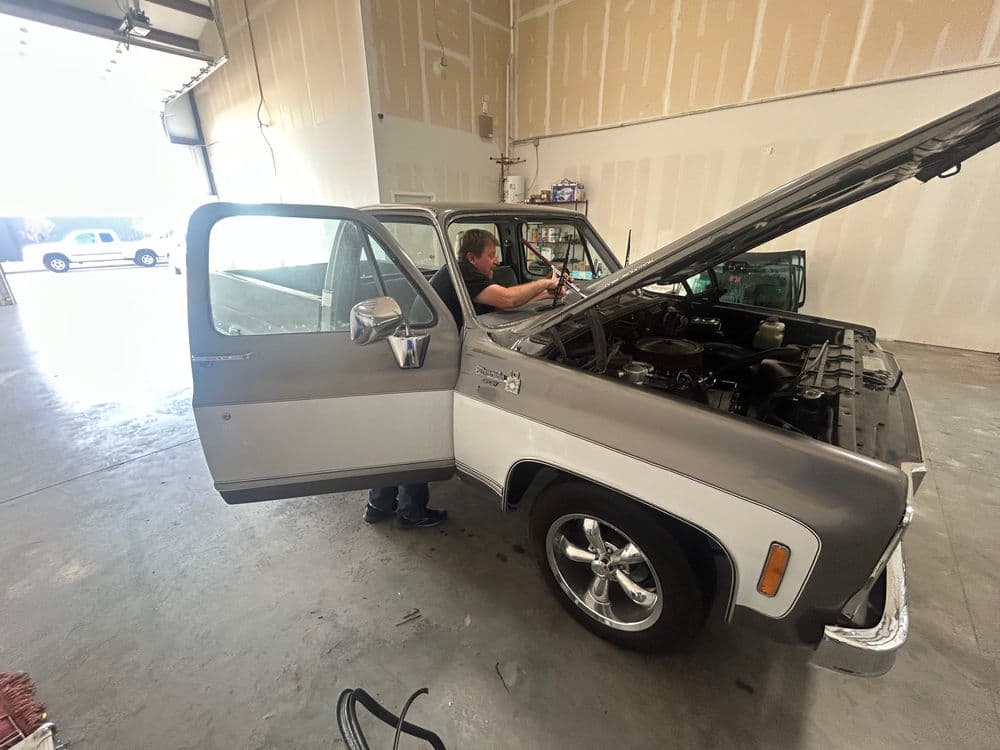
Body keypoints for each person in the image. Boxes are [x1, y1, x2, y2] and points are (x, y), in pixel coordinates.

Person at [364, 229, 566, 529]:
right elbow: (507, 299)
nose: (496, 262)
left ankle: (378, 505)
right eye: (490, 255)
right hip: (427, 361)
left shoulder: (468, 276)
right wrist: (546, 282)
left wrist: (549, 291)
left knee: (400, 435)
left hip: (419, 355)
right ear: (472, 258)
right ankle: (410, 512)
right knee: (418, 436)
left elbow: (506, 301)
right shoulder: (462, 273)